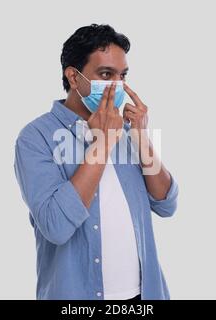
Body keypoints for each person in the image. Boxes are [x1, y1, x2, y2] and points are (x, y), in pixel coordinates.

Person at [14, 24, 179, 300]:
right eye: (105, 74)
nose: (116, 85)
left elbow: (166, 203)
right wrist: (102, 144)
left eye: (122, 75)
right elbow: (55, 225)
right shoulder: (35, 138)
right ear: (74, 77)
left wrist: (140, 137)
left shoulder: (127, 131)